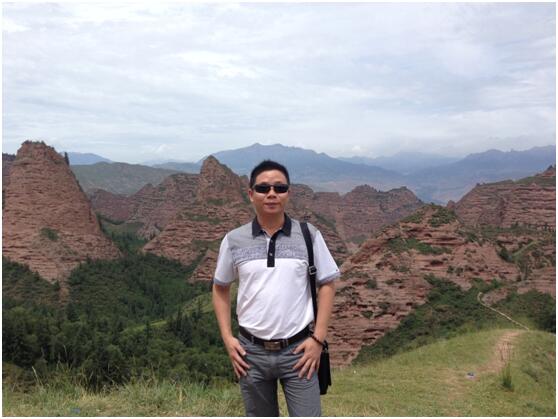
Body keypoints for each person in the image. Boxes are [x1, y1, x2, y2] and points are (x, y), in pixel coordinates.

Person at [212, 160, 339, 417]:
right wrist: (227, 338)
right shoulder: (234, 240)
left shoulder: (309, 235)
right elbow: (220, 287)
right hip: (250, 353)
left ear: (288, 193)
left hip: (299, 352)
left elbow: (327, 283)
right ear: (251, 194)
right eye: (263, 188)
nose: (271, 194)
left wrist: (318, 339)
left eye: (279, 188)